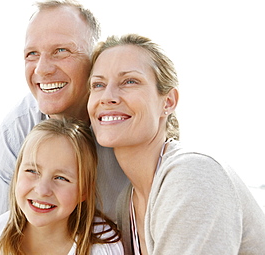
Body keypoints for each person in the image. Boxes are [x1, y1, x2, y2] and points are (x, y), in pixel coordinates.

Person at [87, 33, 265, 254]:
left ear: (168, 102)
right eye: (98, 84)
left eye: (130, 81)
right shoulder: (128, 202)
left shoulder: (193, 173)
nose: (107, 96)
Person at [0, 0, 129, 223]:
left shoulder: (126, 120)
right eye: (32, 54)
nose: (42, 69)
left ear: (95, 58)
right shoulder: (17, 129)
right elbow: (1, 235)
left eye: (61, 51)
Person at [0, 118, 124, 255]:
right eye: (32, 171)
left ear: (84, 191)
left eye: (61, 178)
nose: (42, 190)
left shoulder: (103, 247)